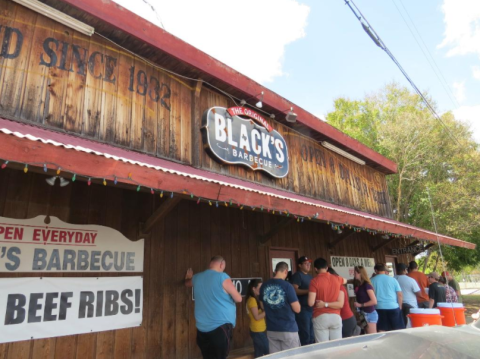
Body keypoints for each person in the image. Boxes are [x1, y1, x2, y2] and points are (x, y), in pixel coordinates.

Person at [185, 255, 242, 359]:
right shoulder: (222, 277)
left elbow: (187, 283)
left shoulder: (197, 277)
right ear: (221, 264)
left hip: (202, 329)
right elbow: (238, 298)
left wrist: (189, 277)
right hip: (220, 327)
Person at [260, 261, 301, 354]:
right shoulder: (287, 286)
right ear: (286, 271)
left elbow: (262, 305)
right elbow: (297, 309)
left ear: (275, 271)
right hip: (288, 328)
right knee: (292, 356)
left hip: (272, 329)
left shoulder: (264, 285)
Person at [308, 257, 345, 343]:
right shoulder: (337, 278)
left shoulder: (314, 281)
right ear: (327, 267)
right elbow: (345, 280)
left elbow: (310, 303)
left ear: (316, 269)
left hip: (320, 316)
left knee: (323, 347)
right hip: (335, 316)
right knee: (337, 346)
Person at [371, 263, 404, 331]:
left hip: (379, 307)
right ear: (384, 270)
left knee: (382, 329)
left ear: (375, 270)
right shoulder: (393, 280)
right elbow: (399, 294)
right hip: (393, 306)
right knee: (397, 329)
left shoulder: (371, 280)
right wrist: (400, 306)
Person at [290, 256, 314, 345]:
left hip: (311, 308)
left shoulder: (310, 276)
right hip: (302, 309)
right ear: (300, 265)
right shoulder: (297, 275)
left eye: (309, 263)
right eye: (306, 263)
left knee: (312, 335)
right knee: (305, 334)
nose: (308, 265)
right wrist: (309, 291)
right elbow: (294, 290)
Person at [328, 267, 357, 338]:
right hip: (345, 319)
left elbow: (340, 304)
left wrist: (324, 304)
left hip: (346, 320)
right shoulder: (338, 286)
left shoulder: (339, 287)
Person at [246, 279, 269, 358]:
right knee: (269, 352)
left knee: (258, 354)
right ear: (253, 288)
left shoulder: (256, 298)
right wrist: (268, 311)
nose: (261, 289)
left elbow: (262, 308)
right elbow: (257, 317)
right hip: (257, 330)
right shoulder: (252, 300)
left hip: (259, 330)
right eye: (259, 288)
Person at [353, 265, 378, 334]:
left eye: (355, 273)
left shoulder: (367, 285)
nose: (354, 274)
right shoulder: (359, 285)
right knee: (366, 333)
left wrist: (361, 305)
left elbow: (374, 301)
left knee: (372, 335)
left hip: (369, 313)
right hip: (362, 314)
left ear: (360, 273)